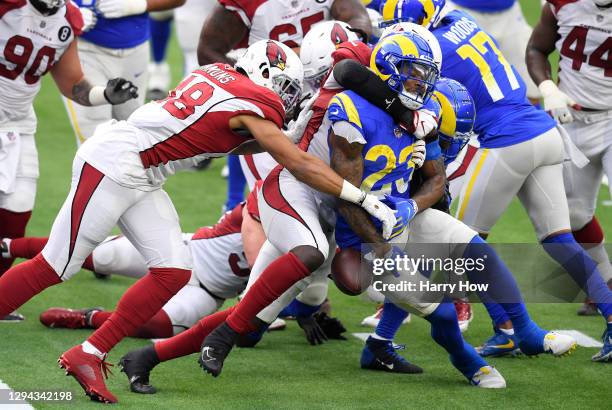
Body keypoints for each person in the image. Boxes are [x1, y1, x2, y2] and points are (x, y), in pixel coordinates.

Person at [0, 39, 396, 403]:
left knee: (173, 270)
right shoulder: (257, 101)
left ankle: (89, 352)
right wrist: (359, 197)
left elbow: (233, 138)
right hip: (116, 164)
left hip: (143, 170)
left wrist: (289, 132)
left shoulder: (215, 75)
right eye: (286, 89)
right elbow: (295, 161)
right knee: (56, 265)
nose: (287, 100)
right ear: (263, 73)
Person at [377, 0, 612, 362]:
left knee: (456, 243)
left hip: (506, 142)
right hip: (542, 131)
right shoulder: (460, 18)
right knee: (560, 241)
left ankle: (504, 329)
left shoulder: (430, 49)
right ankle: (608, 319)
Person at [0, 0, 138, 321]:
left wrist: (105, 94)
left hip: (18, 123)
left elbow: (73, 83)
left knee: (17, 211)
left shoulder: (67, 18)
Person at [526, 0, 612, 320]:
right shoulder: (563, 4)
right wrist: (548, 88)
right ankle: (606, 286)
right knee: (575, 215)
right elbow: (536, 48)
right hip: (572, 119)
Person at [65, 0, 184, 145]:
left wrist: (136, 5)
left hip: (135, 49)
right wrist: (68, 11)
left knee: (134, 129)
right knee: (95, 135)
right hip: (84, 49)